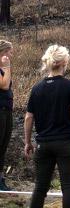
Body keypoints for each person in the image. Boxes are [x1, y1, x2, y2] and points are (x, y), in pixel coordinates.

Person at [24, 45, 70, 208]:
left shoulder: (37, 89)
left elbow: (28, 118)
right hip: (66, 143)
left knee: (40, 187)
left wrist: (27, 142)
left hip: (43, 144)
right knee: (68, 187)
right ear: (64, 62)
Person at [0, 40, 13, 191]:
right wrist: (7, 66)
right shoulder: (4, 68)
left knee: (3, 145)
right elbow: (4, 85)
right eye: (9, 52)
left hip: (6, 110)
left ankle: (1, 179)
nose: (11, 55)